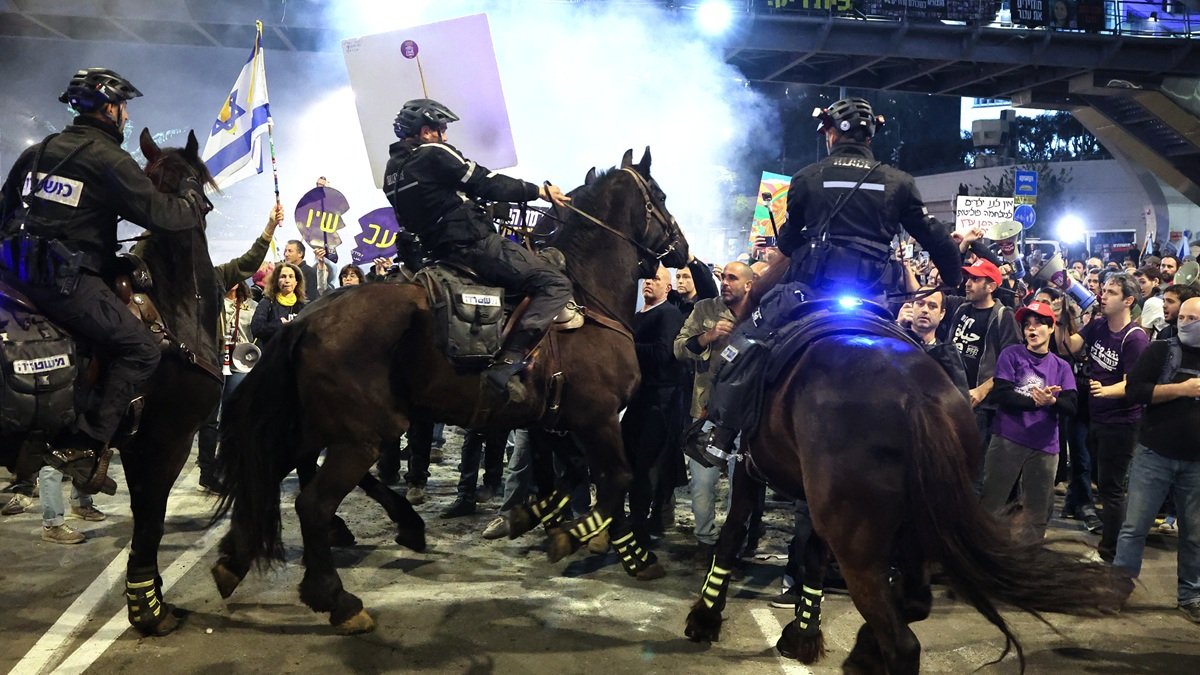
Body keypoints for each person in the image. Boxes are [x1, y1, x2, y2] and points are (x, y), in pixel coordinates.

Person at [689, 97, 962, 460]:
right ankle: (957, 443)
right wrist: (954, 277)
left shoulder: (807, 178)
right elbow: (935, 237)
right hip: (873, 298)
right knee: (933, 356)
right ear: (871, 135)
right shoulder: (899, 182)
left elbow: (787, 241)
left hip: (810, 293)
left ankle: (721, 434)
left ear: (831, 133)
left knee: (746, 343)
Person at [0, 68, 206, 494]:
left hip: (13, 275)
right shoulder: (107, 159)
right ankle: (86, 443)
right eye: (124, 107)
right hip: (64, 280)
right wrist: (191, 198)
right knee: (141, 348)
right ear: (110, 108)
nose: (126, 116)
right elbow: (163, 216)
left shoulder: (37, 153)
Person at [383, 98, 573, 400]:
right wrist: (539, 191)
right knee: (555, 282)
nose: (446, 137)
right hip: (473, 244)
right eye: (442, 130)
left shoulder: (392, 171)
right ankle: (510, 361)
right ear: (427, 132)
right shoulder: (433, 153)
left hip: (434, 253)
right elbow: (485, 181)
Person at [1115, 296, 1200, 623]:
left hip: (1195, 463)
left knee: (1194, 533)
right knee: (1134, 526)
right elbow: (1135, 390)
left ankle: (1190, 594)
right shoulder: (1161, 350)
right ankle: (1119, 588)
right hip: (1154, 455)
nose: (1186, 322)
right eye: (1184, 316)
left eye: (1194, 318)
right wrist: (1182, 389)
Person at [1057, 273, 1150, 562]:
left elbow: (1133, 383)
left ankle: (1111, 553)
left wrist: (1106, 390)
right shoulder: (1098, 325)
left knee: (1111, 490)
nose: (1103, 295)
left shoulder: (1135, 338)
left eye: (1111, 292)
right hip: (1097, 416)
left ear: (1128, 301)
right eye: (1104, 290)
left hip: (1120, 423)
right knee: (1103, 485)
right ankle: (1113, 547)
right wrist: (1062, 318)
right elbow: (1069, 347)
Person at [675, 261, 753, 563]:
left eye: (733, 278)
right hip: (707, 411)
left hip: (746, 415)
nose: (725, 282)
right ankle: (705, 541)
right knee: (703, 482)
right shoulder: (705, 309)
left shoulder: (759, 314)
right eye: (724, 277)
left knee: (742, 484)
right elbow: (678, 348)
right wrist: (707, 338)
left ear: (748, 285)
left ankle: (735, 541)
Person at [980, 302, 1077, 541]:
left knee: (1038, 509)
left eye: (1038, 325)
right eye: (1027, 326)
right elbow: (1002, 393)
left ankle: (1029, 559)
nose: (1032, 330)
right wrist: (1036, 401)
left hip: (1045, 445)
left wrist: (1052, 401)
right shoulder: (1011, 354)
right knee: (992, 502)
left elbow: (1071, 406)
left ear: (1051, 328)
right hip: (1008, 437)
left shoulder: (1061, 366)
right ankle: (982, 552)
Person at [250, 262, 306, 346]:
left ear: (296, 282)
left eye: (291, 277)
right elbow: (257, 329)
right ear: (276, 281)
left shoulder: (302, 305)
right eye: (283, 277)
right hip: (271, 353)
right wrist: (280, 324)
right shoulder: (267, 302)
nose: (287, 280)